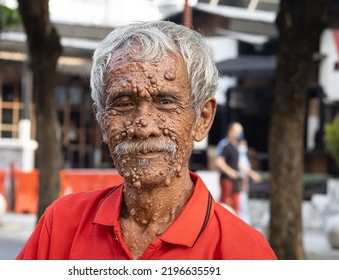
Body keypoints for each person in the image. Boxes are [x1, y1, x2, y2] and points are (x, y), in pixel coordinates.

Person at [16, 21, 276, 260]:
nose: (143, 127)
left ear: (202, 118)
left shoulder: (245, 252)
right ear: (102, 120)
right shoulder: (61, 225)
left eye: (165, 102)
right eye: (124, 103)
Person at [215, 123, 261, 218]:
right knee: (225, 208)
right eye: (237, 131)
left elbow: (238, 164)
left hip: (236, 183)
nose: (239, 134)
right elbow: (219, 162)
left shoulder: (235, 147)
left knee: (236, 210)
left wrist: (251, 174)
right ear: (231, 131)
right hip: (227, 181)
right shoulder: (225, 145)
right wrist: (230, 172)